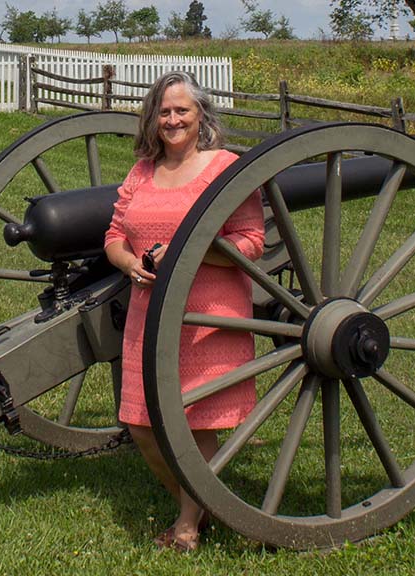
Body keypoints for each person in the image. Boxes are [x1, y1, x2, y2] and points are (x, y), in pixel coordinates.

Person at [104, 71, 265, 552]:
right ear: (152, 119)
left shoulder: (225, 168)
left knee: (196, 420)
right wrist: (131, 261)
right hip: (148, 311)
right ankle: (209, 504)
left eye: (182, 111)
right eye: (164, 111)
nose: (172, 120)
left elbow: (251, 241)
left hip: (207, 313)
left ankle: (188, 526)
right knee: (139, 422)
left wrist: (188, 251)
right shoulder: (142, 170)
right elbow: (114, 234)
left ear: (201, 116)